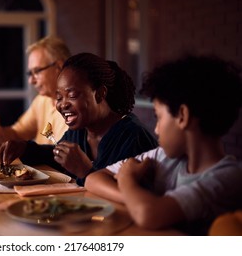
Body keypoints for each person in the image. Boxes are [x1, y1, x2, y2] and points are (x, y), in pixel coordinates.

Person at [85, 54, 242, 235]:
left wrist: (127, 179)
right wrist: (134, 199)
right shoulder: (164, 157)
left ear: (182, 116)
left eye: (158, 117)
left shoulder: (229, 177)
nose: (157, 130)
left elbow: (148, 214)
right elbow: (93, 179)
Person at [0, 52, 158, 186]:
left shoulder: (133, 138)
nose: (62, 105)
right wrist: (25, 148)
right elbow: (55, 156)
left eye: (72, 95)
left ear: (100, 93)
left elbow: (128, 197)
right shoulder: (80, 131)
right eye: (59, 97)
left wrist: (85, 171)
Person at [0, 36, 70, 152]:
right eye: (30, 73)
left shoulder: (74, 108)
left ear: (59, 66)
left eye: (37, 71)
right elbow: (17, 134)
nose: (31, 81)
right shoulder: (41, 100)